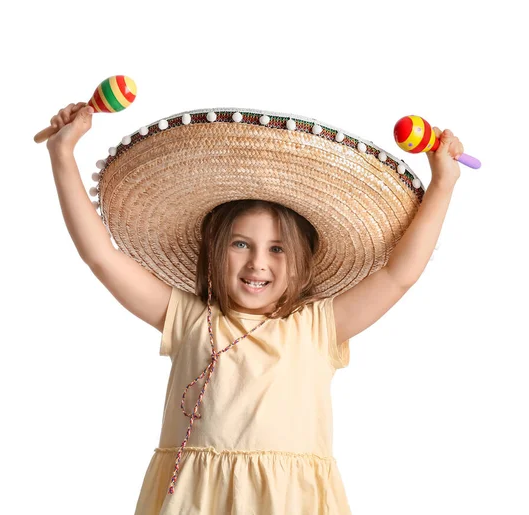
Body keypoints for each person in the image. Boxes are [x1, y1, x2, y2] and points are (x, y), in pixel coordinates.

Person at [45, 102, 464, 514]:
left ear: (302, 263)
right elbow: (102, 257)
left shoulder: (317, 327)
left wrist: (443, 183)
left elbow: (398, 275)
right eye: (240, 244)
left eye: (277, 249)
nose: (257, 263)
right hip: (196, 500)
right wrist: (62, 155)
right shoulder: (191, 319)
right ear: (214, 252)